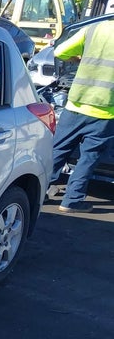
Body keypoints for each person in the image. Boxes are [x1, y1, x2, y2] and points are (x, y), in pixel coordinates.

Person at [47, 19, 114, 213]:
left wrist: (78, 59)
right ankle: (71, 201)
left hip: (75, 104)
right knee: (89, 157)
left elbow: (60, 52)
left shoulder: (93, 29)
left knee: (58, 149)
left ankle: (41, 190)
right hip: (104, 110)